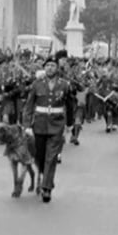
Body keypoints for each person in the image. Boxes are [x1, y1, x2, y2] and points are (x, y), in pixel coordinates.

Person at [23, 55, 74, 203]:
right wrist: (26, 125)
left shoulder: (64, 85)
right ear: (44, 68)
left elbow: (69, 106)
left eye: (52, 65)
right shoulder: (37, 84)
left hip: (57, 125)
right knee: (40, 156)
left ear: (57, 68)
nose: (50, 68)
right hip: (39, 125)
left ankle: (47, 188)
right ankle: (44, 177)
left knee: (51, 157)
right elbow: (29, 106)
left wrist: (69, 124)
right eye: (47, 65)